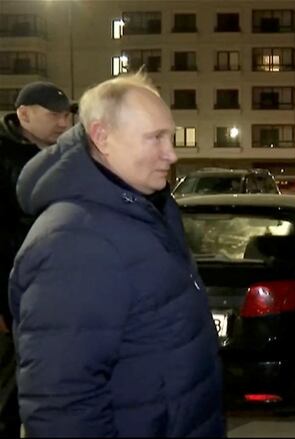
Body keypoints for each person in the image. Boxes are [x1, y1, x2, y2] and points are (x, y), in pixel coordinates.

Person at [8, 73, 224, 437]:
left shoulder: (145, 210)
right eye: (155, 138)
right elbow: (62, 403)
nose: (171, 153)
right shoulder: (74, 241)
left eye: (170, 136)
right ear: (102, 138)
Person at [0, 81, 73, 437]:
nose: (64, 121)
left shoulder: (67, 156)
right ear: (24, 114)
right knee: (9, 390)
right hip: (11, 297)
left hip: (56, 292)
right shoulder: (4, 157)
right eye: (54, 114)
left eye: (67, 114)